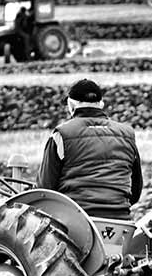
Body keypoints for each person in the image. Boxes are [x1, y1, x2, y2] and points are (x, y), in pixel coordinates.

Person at [37, 79, 143, 220]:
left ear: (71, 104)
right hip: (120, 220)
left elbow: (45, 189)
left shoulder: (61, 134)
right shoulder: (127, 134)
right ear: (101, 104)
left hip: (76, 221)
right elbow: (136, 189)